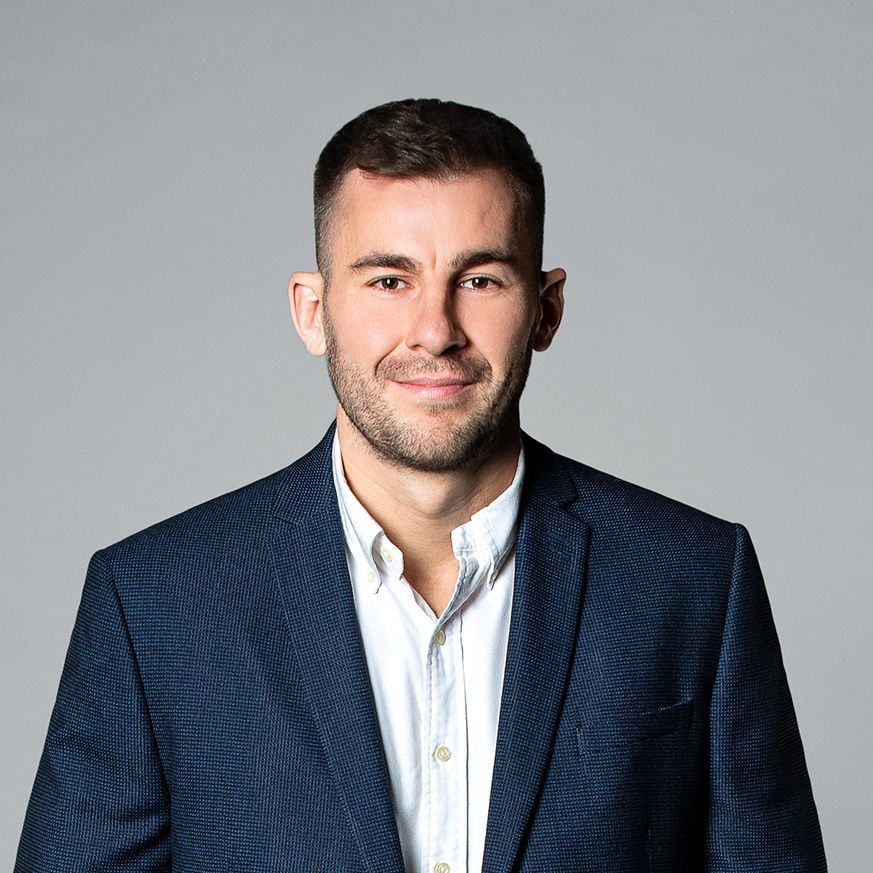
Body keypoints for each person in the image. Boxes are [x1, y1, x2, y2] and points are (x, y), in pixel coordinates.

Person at [16, 98, 826, 872]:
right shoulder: (154, 601)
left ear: (544, 310)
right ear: (312, 309)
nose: (435, 331)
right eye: (387, 280)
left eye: (479, 279)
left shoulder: (691, 580)